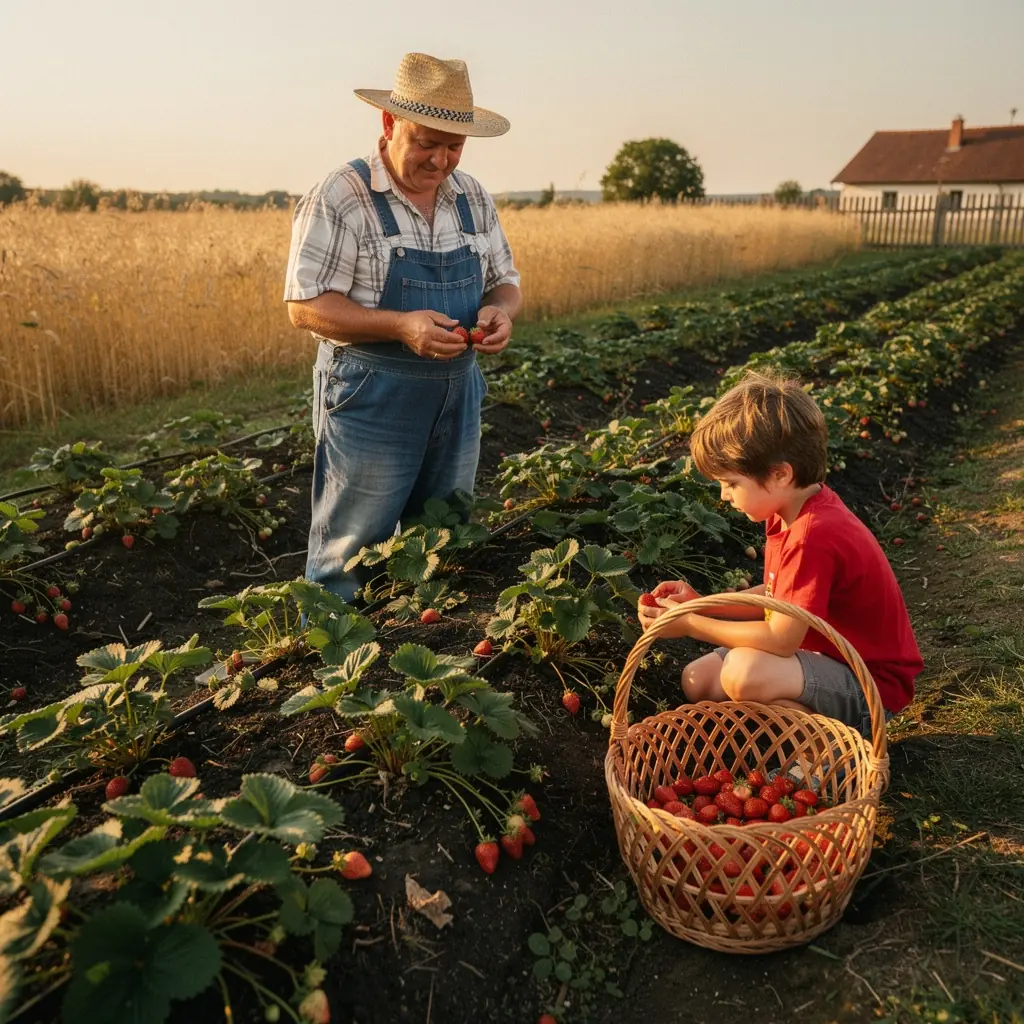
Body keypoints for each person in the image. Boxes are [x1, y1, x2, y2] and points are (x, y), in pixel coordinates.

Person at [284, 52, 522, 600]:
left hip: (457, 394)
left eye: (454, 146)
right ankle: (334, 670)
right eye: (426, 142)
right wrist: (399, 326)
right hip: (372, 397)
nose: (440, 161)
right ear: (389, 124)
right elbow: (305, 306)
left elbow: (506, 284)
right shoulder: (343, 195)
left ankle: (419, 661)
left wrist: (499, 313)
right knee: (350, 552)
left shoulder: (473, 198)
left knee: (442, 539)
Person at [637, 370, 923, 739]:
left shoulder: (813, 535)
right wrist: (701, 605)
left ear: (780, 475)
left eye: (731, 484)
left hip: (869, 685)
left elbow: (782, 638)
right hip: (824, 663)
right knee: (698, 680)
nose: (724, 495)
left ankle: (825, 750)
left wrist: (691, 625)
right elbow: (778, 599)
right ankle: (789, 729)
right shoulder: (787, 512)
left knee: (744, 672)